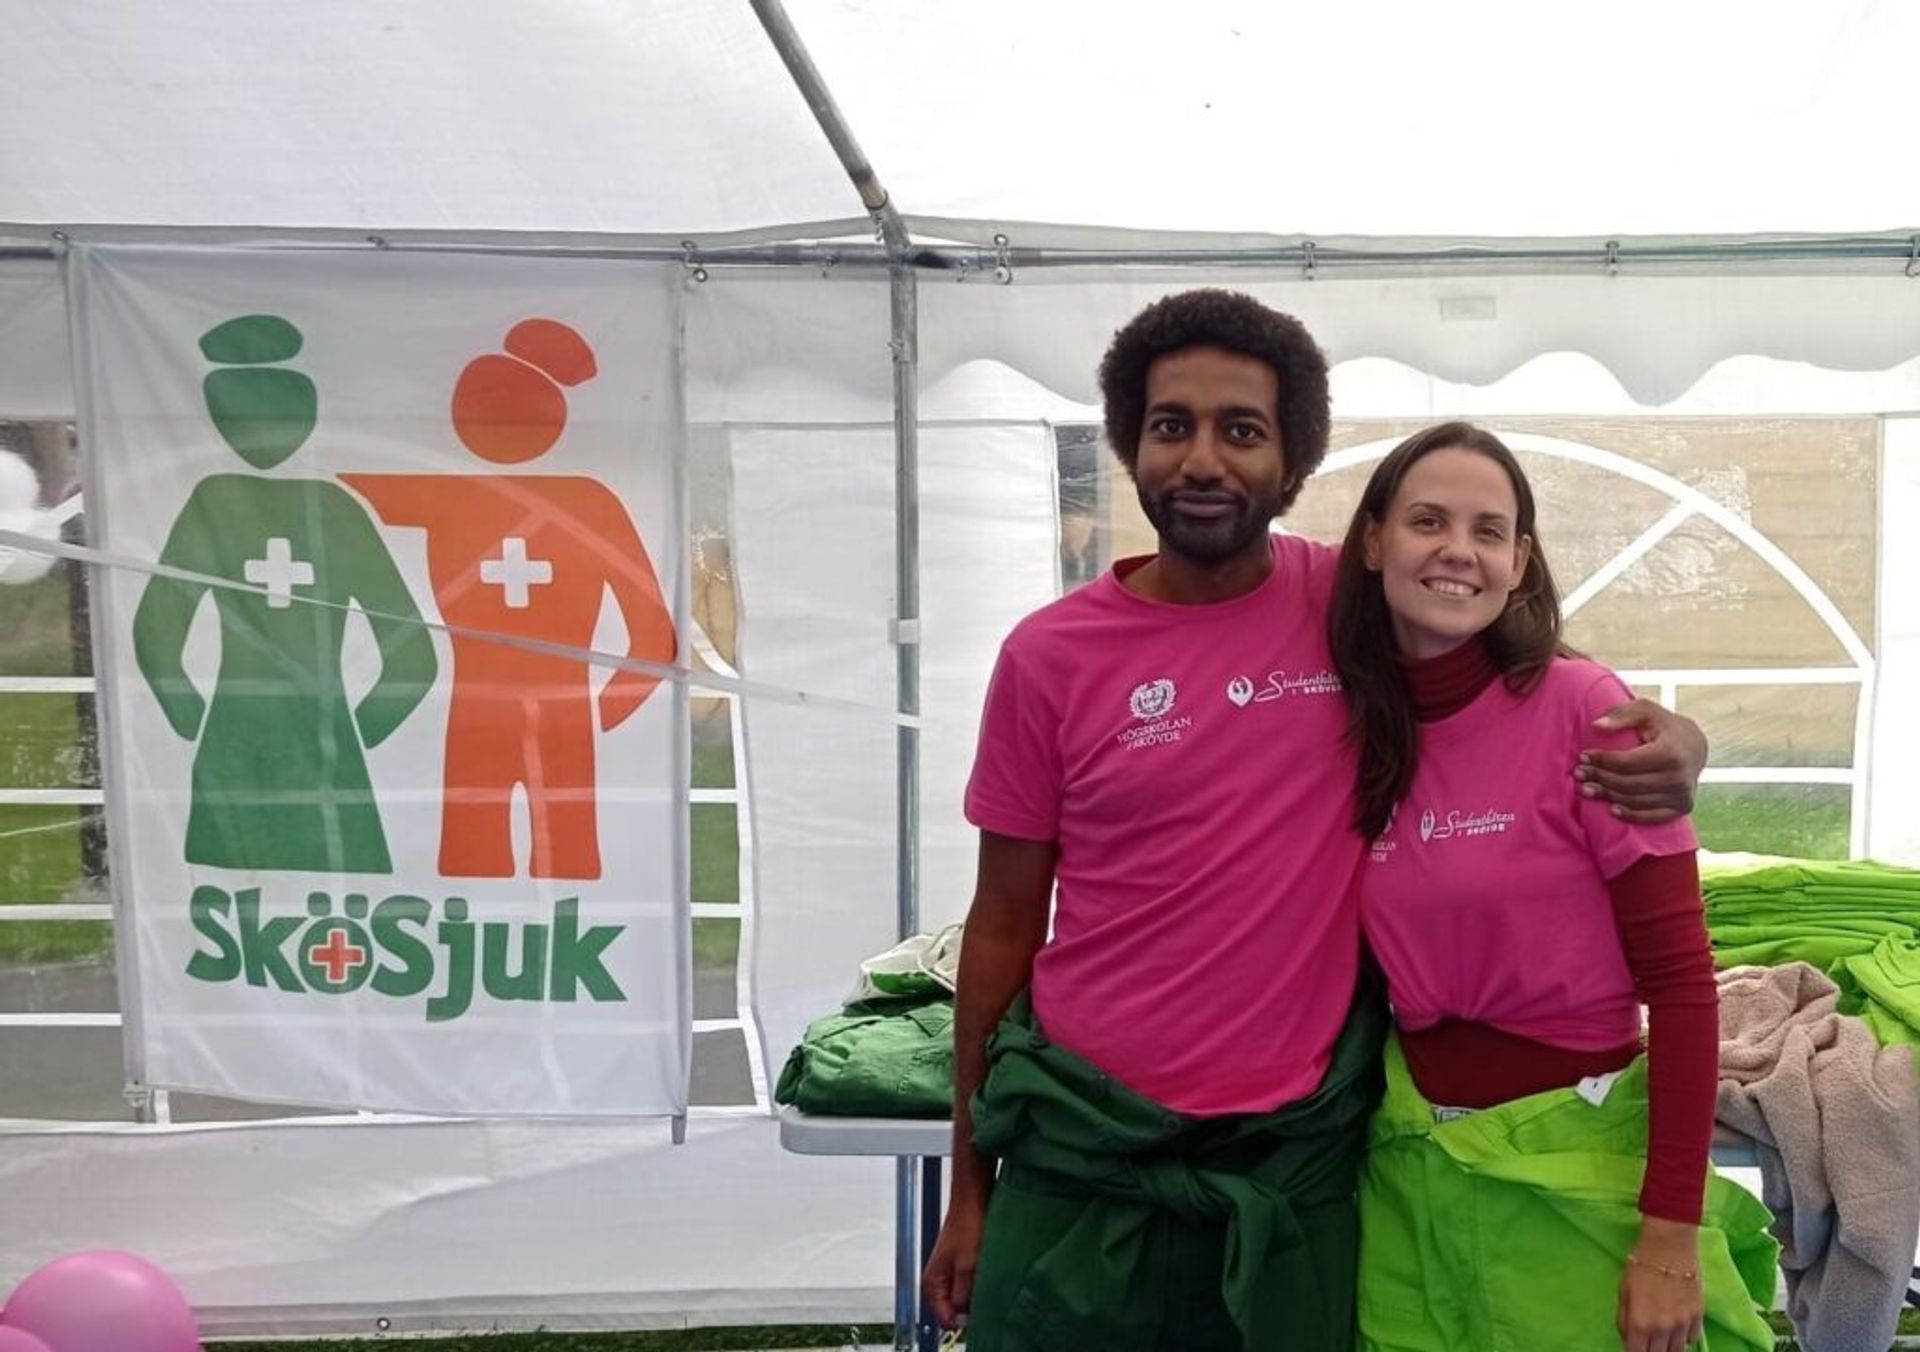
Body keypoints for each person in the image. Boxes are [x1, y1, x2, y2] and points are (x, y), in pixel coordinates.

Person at [922, 290, 1709, 1350]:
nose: (1204, 459)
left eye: (1242, 430)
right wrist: (969, 1185)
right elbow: (1003, 923)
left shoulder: (1345, 603)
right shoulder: (1047, 656)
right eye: (1172, 425)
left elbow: (1498, 650)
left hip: (1295, 1159)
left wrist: (1681, 738)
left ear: (1292, 463)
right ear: (1131, 444)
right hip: (1083, 1145)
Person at [1329, 422, 1777, 1351]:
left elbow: (1686, 989)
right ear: (1372, 541)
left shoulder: (1588, 712)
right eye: (1427, 520)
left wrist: (1667, 1238)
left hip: (1571, 1164)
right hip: (1411, 1167)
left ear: (1521, 559)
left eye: (1490, 530)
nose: (1459, 550)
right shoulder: (1351, 725)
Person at [345, 318, 677, 880]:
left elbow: (653, 636)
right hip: (534, 711)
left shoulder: (465, 496)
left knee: (498, 867)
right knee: (513, 866)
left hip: (490, 708)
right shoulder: (584, 502)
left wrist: (603, 711)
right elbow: (653, 638)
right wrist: (600, 710)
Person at [134, 314, 436, 873]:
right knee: (339, 889)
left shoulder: (215, 501)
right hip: (324, 739)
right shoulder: (333, 510)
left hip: (235, 733)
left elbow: (155, 631)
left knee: (232, 880)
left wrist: (193, 719)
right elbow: (414, 652)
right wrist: (354, 734)